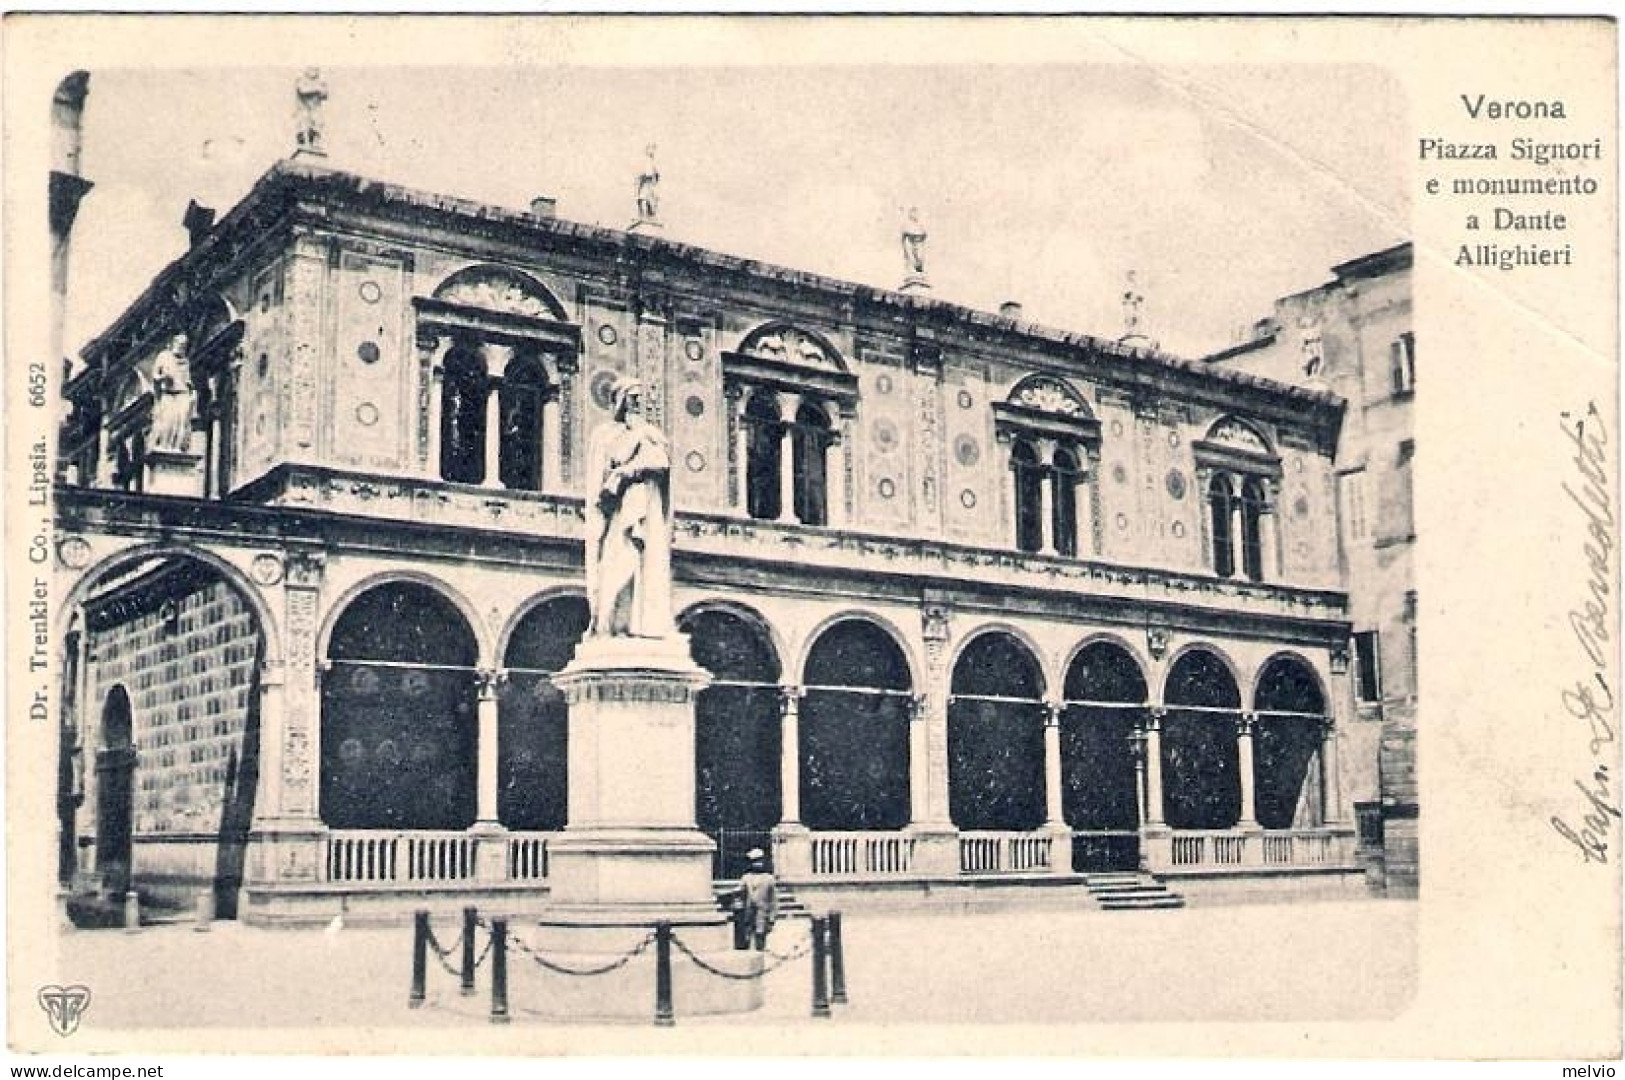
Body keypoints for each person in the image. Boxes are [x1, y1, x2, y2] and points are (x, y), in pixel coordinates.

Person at [583, 376, 675, 639]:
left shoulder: (650, 433)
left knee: (644, 563)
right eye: (632, 398)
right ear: (620, 400)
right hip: (619, 511)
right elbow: (600, 475)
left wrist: (633, 467)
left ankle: (639, 625)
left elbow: (662, 463)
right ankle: (611, 624)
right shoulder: (604, 434)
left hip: (648, 506)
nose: (637, 404)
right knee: (619, 562)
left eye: (640, 399)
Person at [148, 332, 195, 452]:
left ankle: (177, 448)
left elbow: (187, 380)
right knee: (167, 421)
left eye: (184, 345)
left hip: (182, 394)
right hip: (168, 393)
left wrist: (192, 393)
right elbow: (155, 376)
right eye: (180, 344)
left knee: (181, 423)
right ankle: (165, 447)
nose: (181, 347)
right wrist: (164, 377)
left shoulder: (185, 361)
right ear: (174, 343)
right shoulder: (164, 356)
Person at [738, 849, 777, 951]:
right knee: (745, 939)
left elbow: (773, 900)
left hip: (763, 913)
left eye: (759, 861)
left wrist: (772, 917)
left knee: (760, 937)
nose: (757, 864)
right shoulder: (745, 878)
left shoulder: (769, 879)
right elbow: (740, 894)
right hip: (748, 913)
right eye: (754, 861)